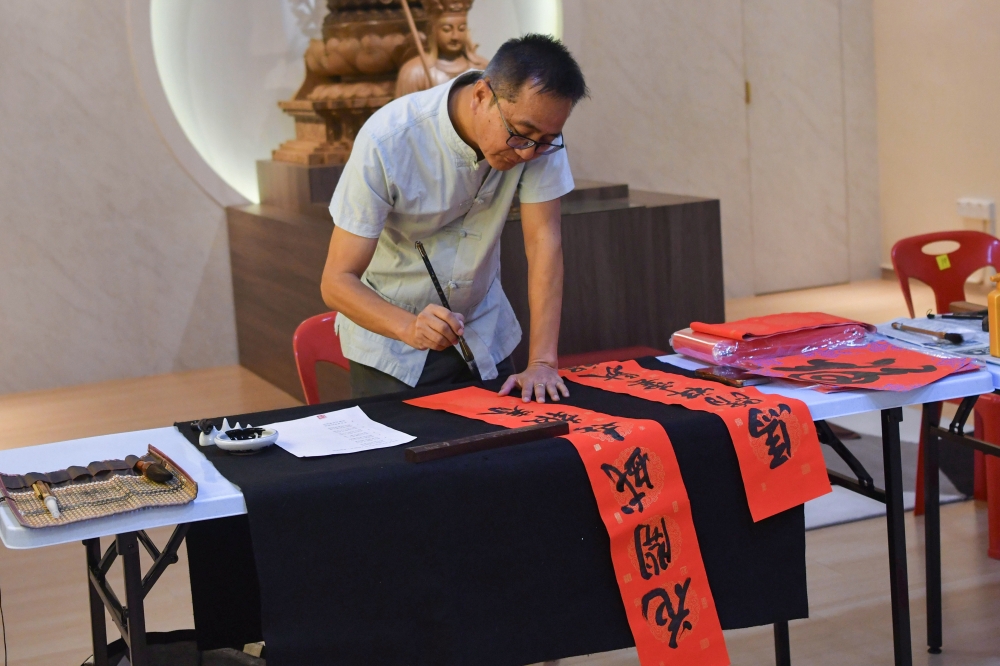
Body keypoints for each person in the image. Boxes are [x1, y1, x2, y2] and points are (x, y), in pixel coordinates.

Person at [320, 34, 588, 402]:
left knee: (508, 451)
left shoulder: (540, 137)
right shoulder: (388, 139)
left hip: (484, 331)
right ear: (481, 96)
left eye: (546, 140)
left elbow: (544, 242)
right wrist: (409, 327)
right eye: (520, 135)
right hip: (393, 346)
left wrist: (542, 360)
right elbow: (336, 281)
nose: (530, 153)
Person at [394, 2, 488, 98]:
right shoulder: (414, 72)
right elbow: (403, 111)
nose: (455, 36)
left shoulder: (482, 68)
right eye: (446, 29)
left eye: (461, 29)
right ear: (433, 30)